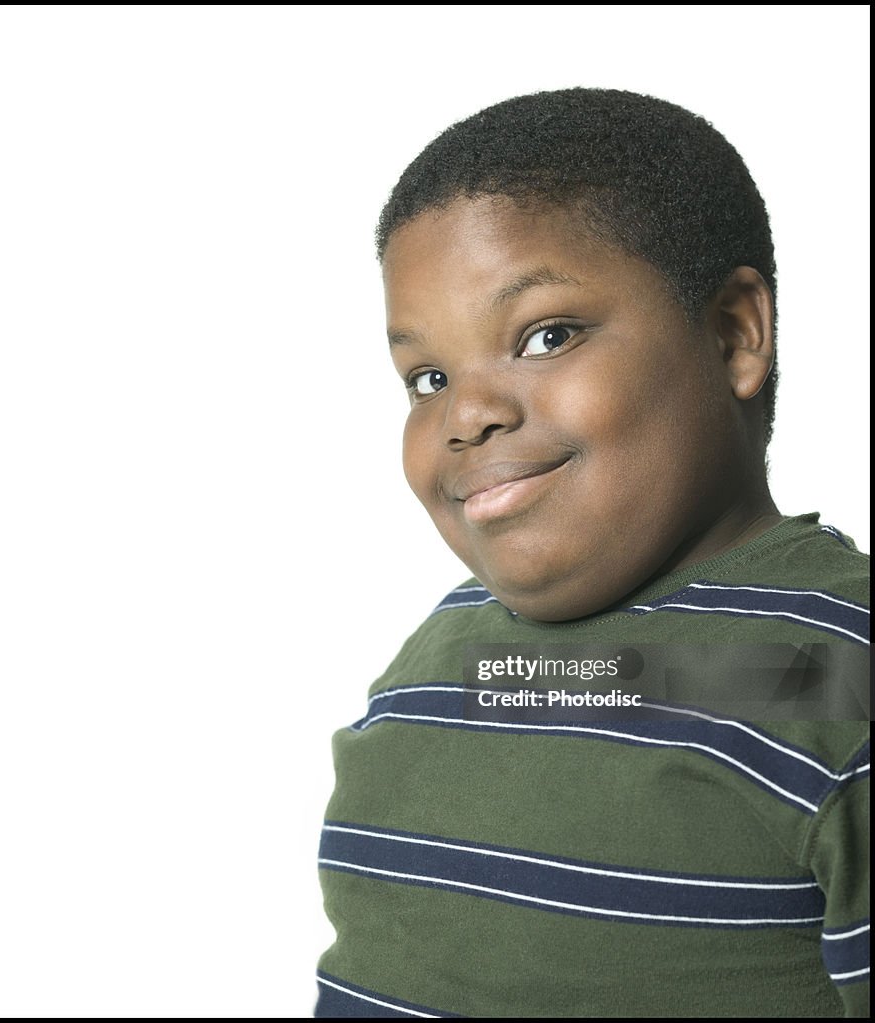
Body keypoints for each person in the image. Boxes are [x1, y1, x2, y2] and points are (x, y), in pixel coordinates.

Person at [315, 89, 869, 1018]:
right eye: (429, 377)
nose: (467, 413)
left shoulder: (828, 672)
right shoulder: (445, 660)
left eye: (546, 336)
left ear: (735, 332)